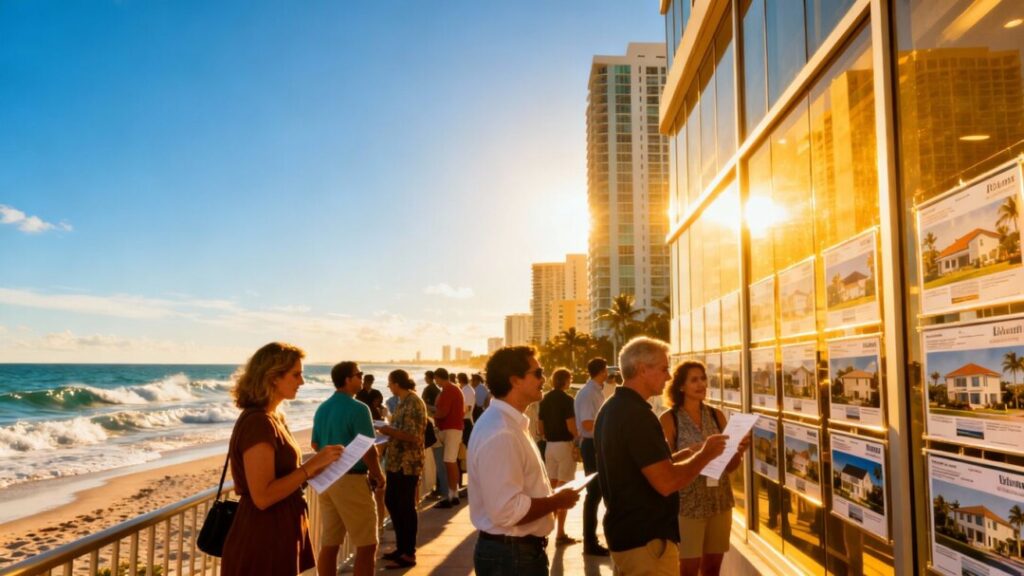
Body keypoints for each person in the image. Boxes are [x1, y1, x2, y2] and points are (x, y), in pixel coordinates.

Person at [595, 337, 728, 575]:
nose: (668, 377)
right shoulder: (638, 416)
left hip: (628, 538)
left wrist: (685, 455)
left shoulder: (612, 408)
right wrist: (705, 455)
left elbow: (639, 469)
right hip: (647, 544)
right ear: (642, 369)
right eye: (664, 369)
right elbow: (666, 482)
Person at [221, 342, 343, 576]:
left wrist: (318, 464)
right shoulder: (258, 423)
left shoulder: (274, 417)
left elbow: (283, 473)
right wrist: (309, 468)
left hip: (281, 530)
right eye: (296, 375)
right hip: (264, 537)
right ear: (273, 377)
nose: (302, 382)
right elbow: (263, 496)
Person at [468, 346, 581, 576]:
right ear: (515, 381)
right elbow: (507, 511)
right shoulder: (502, 432)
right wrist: (557, 501)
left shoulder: (508, 424)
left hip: (514, 553)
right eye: (538, 373)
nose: (544, 378)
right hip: (512, 556)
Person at [660, 360, 750, 576]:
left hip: (719, 501)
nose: (701, 384)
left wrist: (739, 450)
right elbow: (665, 465)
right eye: (694, 380)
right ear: (680, 386)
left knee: (712, 569)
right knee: (688, 569)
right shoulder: (669, 419)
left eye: (703, 378)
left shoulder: (716, 415)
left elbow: (730, 467)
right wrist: (696, 453)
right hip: (687, 504)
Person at [311, 361, 387, 576]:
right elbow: (367, 448)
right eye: (358, 374)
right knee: (367, 544)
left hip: (326, 479)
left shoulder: (323, 408)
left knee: (330, 543)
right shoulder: (359, 408)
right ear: (347, 379)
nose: (361, 378)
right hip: (351, 479)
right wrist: (378, 473)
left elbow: (315, 444)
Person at [376, 369, 427, 570]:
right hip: (397, 462)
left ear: (397, 383)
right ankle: (401, 547)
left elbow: (413, 436)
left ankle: (409, 552)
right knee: (392, 502)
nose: (388, 387)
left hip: (408, 463)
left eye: (390, 383)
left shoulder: (413, 402)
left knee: (405, 507)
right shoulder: (402, 402)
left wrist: (386, 430)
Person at [538, 367, 578, 545]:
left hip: (550, 446)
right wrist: (578, 440)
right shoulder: (568, 400)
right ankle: (560, 532)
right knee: (565, 488)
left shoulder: (545, 399)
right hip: (564, 445)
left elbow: (540, 427)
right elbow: (571, 426)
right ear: (566, 381)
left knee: (553, 486)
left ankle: (547, 527)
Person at [574, 357, 610, 556]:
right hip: (592, 445)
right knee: (594, 493)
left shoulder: (593, 391)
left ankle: (592, 539)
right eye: (606, 370)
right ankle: (590, 541)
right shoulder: (589, 393)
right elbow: (588, 424)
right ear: (602, 371)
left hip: (594, 444)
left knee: (597, 493)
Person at [433, 367, 465, 508]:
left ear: (439, 377)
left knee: (449, 462)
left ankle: (452, 495)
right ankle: (454, 494)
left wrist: (430, 414)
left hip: (451, 429)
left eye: (436, 379)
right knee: (450, 462)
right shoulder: (451, 389)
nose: (436, 382)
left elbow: (443, 412)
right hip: (451, 428)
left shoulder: (450, 390)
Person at [421, 370, 447, 497]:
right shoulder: (438, 390)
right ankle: (442, 488)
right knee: (440, 461)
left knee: (437, 461)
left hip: (432, 426)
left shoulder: (429, 390)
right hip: (438, 426)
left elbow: (428, 408)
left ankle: (440, 488)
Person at [459, 372, 475, 445]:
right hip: (465, 420)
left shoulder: (467, 390)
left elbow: (468, 407)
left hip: (466, 421)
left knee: (466, 446)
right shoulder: (466, 389)